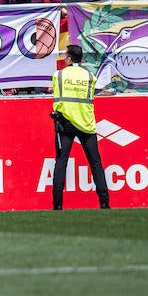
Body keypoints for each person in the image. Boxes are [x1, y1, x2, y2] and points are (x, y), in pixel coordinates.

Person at [50, 44, 110, 211]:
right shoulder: (90, 76)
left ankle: (57, 205)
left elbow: (55, 91)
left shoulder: (59, 75)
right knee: (96, 163)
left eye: (65, 55)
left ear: (69, 58)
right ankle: (105, 203)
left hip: (66, 124)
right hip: (86, 123)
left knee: (61, 163)